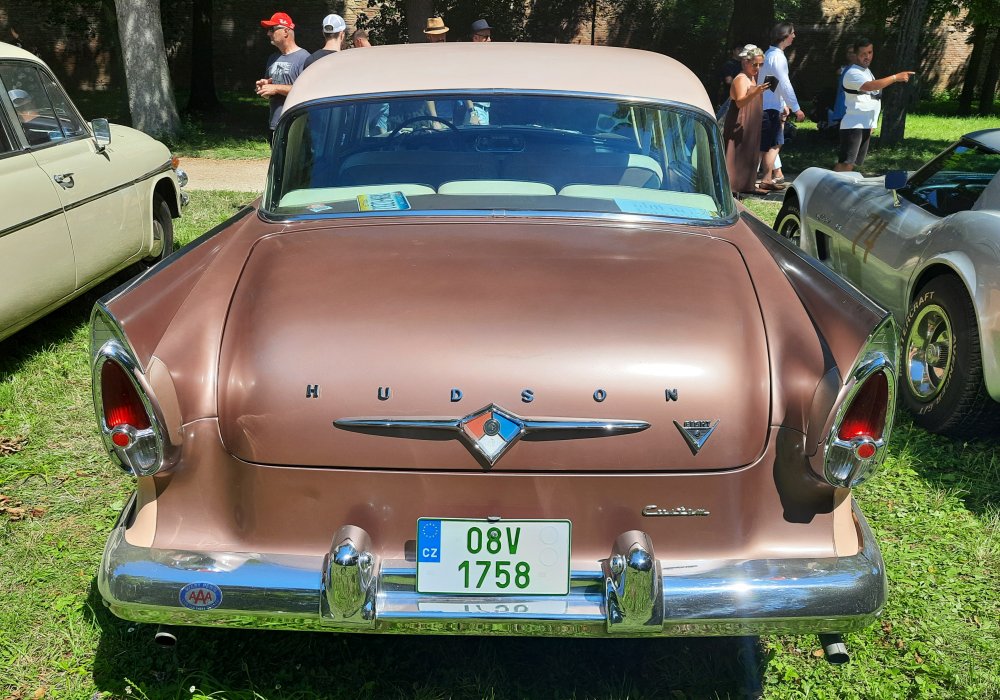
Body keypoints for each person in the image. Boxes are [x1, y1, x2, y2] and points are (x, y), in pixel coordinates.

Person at [834, 38, 914, 172]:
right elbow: (870, 87)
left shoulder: (866, 71)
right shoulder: (852, 72)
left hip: (864, 124)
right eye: (863, 54)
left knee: (852, 164)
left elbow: (872, 98)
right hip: (854, 125)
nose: (867, 56)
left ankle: (839, 187)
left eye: (870, 52)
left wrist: (872, 123)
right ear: (855, 55)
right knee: (846, 163)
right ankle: (829, 187)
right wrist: (895, 78)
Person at [757, 22, 805, 190]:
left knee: (772, 143)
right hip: (769, 108)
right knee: (772, 144)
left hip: (770, 106)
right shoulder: (777, 57)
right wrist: (796, 107)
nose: (794, 36)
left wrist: (783, 104)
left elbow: (772, 83)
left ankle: (767, 179)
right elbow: (784, 83)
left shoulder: (771, 55)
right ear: (785, 35)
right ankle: (761, 179)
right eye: (792, 33)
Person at [722, 45, 770, 196]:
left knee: (749, 151)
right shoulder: (741, 78)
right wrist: (755, 92)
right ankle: (733, 186)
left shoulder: (752, 78)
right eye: (754, 64)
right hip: (740, 120)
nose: (757, 68)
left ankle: (747, 185)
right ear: (745, 62)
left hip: (751, 120)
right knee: (736, 152)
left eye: (760, 64)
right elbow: (740, 102)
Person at [255, 11, 308, 143]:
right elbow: (270, 93)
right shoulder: (272, 58)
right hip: (274, 124)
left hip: (295, 124)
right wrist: (264, 87)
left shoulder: (305, 58)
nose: (268, 33)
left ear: (285, 31)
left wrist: (276, 88)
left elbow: (305, 91)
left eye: (272, 29)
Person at [715, 43, 743, 113]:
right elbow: (728, 80)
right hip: (728, 98)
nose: (740, 51)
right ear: (733, 51)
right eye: (738, 49)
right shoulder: (729, 64)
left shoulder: (744, 65)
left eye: (742, 50)